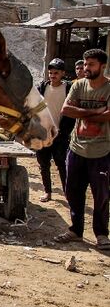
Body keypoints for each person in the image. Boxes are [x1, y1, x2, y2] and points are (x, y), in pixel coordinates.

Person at [55, 48, 110, 250]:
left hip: (102, 151)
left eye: (91, 65)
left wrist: (82, 113)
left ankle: (102, 234)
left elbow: (109, 116)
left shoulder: (108, 87)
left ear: (102, 66)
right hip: (76, 148)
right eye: (85, 64)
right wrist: (95, 111)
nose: (86, 68)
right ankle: (75, 230)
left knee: (101, 196)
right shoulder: (78, 85)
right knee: (72, 192)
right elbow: (66, 110)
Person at [36, 58, 74, 202]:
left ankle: (67, 193)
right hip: (43, 134)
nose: (52, 75)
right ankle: (48, 192)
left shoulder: (69, 88)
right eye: (50, 72)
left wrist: (65, 131)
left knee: (62, 165)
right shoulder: (42, 87)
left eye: (56, 73)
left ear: (63, 73)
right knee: (43, 164)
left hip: (61, 134)